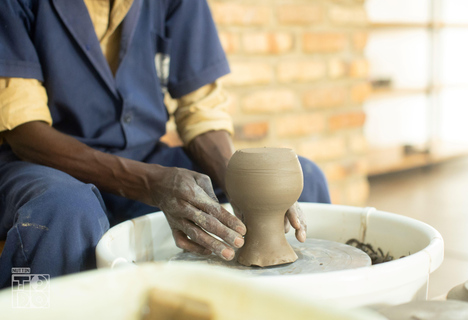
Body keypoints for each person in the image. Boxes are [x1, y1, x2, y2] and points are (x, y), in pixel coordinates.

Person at [0, 0, 330, 288]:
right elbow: (24, 132)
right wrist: (151, 183)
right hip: (41, 163)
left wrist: (239, 182)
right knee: (66, 211)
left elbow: (199, 109)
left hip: (145, 156)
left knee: (304, 179)